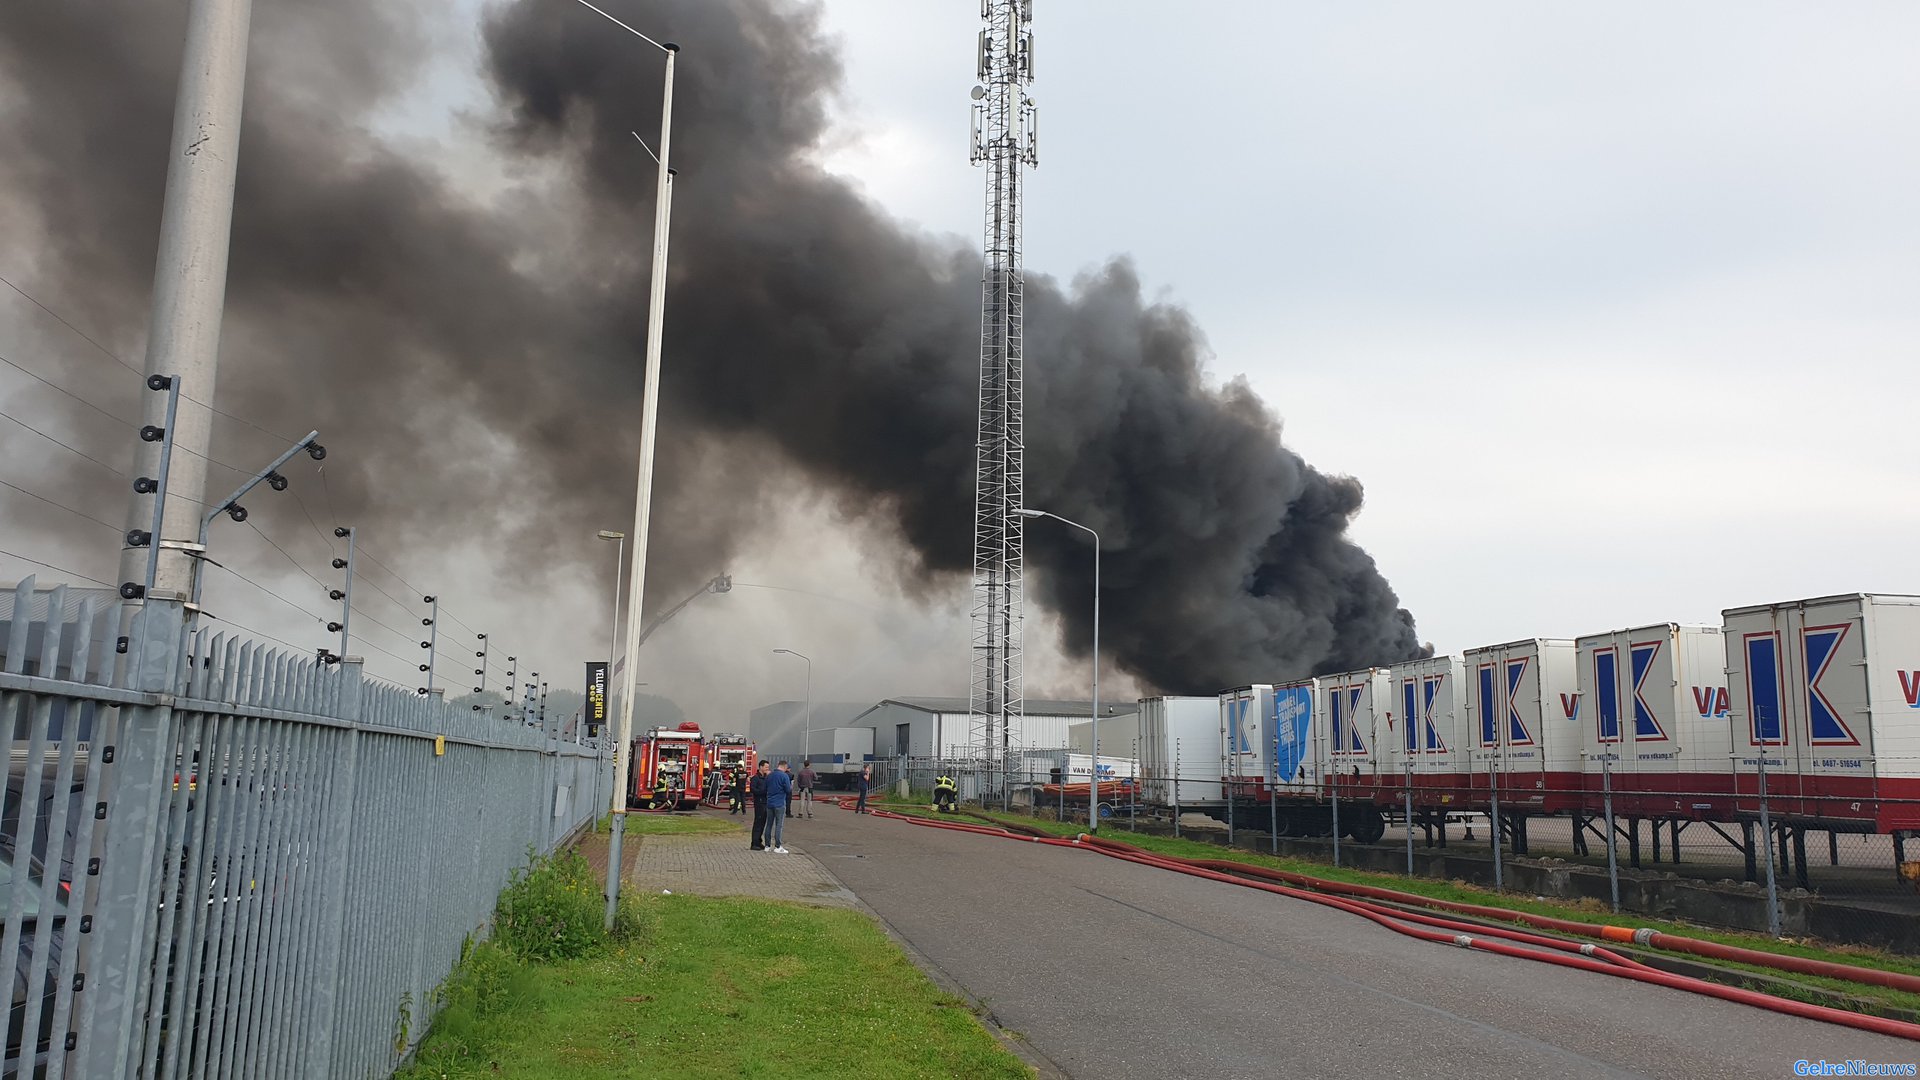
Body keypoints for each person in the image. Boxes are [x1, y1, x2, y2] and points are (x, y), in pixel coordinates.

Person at [765, 759, 794, 853]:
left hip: (769, 803)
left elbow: (765, 787)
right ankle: (778, 847)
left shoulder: (770, 775)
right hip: (779, 803)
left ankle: (767, 846)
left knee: (768, 824)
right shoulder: (784, 776)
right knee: (778, 825)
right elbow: (788, 790)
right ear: (785, 767)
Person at [749, 760, 772, 850]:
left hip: (765, 802)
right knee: (758, 823)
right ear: (761, 767)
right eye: (766, 767)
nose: (767, 769)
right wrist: (763, 792)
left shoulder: (766, 778)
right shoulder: (755, 778)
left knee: (762, 823)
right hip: (759, 802)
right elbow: (752, 789)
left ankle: (759, 842)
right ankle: (754, 843)